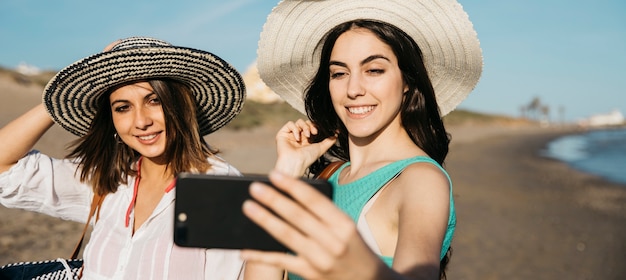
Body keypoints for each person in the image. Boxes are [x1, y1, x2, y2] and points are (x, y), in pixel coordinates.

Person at [242, 0, 483, 279]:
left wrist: (364, 268)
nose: (353, 89)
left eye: (374, 70)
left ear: (407, 81)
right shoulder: (328, 177)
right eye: (339, 73)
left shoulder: (419, 179)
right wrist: (287, 172)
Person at [0, 37, 248, 279]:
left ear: (182, 105)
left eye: (154, 100)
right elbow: (4, 166)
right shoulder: (109, 180)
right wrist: (68, 88)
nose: (141, 121)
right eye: (122, 107)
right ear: (112, 120)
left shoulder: (219, 188)